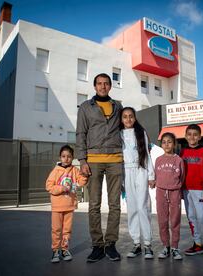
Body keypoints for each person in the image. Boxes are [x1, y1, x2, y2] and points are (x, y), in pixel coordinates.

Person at [76, 73, 123, 262]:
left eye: (106, 83)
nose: (103, 86)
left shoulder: (118, 106)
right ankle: (97, 245)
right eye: (99, 84)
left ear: (110, 86)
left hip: (115, 160)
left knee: (115, 205)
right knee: (93, 205)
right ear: (94, 87)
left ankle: (111, 244)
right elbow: (81, 133)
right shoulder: (86, 107)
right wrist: (82, 160)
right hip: (93, 160)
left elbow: (126, 128)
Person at [120, 107, 155, 259]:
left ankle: (147, 244)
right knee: (132, 207)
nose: (128, 119)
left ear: (135, 118)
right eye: (125, 117)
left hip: (140, 170)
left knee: (143, 207)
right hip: (127, 173)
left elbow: (147, 155)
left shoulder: (141, 133)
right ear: (121, 120)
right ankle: (136, 244)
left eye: (131, 116)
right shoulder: (118, 135)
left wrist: (151, 175)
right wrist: (121, 178)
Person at [45, 145, 88, 263]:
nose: (66, 158)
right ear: (60, 157)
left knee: (67, 230)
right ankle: (55, 251)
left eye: (69, 156)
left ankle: (64, 250)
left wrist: (84, 175)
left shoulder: (74, 170)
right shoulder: (55, 171)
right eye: (63, 156)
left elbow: (81, 181)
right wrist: (62, 188)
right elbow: (49, 186)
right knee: (56, 229)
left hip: (69, 206)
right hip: (57, 207)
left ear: (72, 158)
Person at [180, 124, 203, 258]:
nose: (192, 137)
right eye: (189, 134)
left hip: (199, 190)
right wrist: (179, 189)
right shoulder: (182, 152)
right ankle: (197, 244)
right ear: (185, 136)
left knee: (202, 217)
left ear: (200, 137)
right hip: (186, 190)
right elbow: (180, 171)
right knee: (191, 217)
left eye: (195, 134)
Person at [154, 132, 185, 260]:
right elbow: (156, 176)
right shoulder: (158, 160)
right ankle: (165, 246)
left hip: (175, 192)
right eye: (164, 142)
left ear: (174, 144)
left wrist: (177, 188)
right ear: (161, 144)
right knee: (162, 220)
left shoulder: (179, 160)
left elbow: (182, 177)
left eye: (169, 142)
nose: (167, 144)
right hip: (161, 192)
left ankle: (175, 247)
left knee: (175, 220)